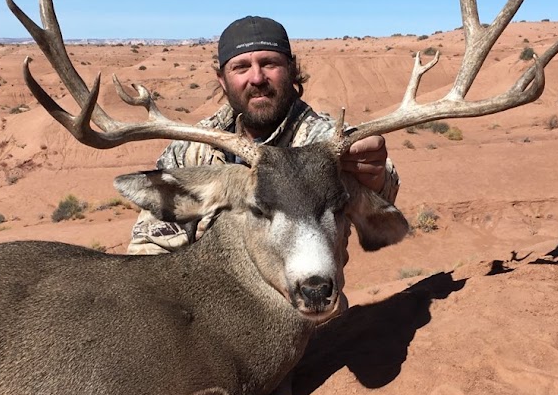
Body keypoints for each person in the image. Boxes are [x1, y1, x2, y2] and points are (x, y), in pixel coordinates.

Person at [127, 15, 399, 255]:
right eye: (241, 67)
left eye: (269, 63)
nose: (257, 78)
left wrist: (374, 176)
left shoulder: (323, 143)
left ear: (291, 70)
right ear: (222, 79)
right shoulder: (193, 148)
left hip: (302, 303)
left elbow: (381, 195)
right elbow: (154, 241)